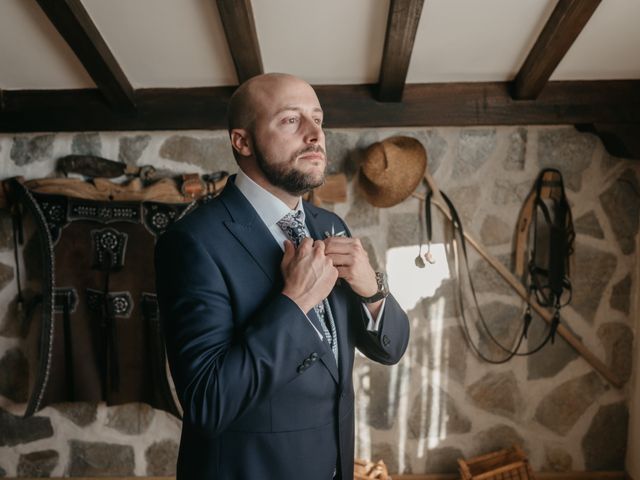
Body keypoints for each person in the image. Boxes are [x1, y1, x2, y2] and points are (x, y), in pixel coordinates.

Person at [155, 73, 410, 480]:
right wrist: (294, 305)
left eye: (318, 119)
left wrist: (372, 290)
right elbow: (207, 403)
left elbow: (390, 349)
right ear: (242, 141)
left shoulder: (331, 225)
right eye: (291, 120)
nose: (315, 135)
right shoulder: (192, 242)